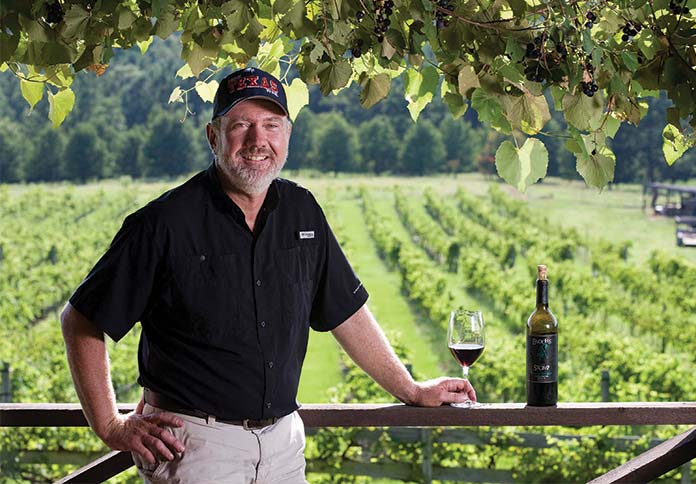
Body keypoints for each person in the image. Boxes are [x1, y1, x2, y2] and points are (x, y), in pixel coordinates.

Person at [60, 67, 476, 483]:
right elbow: (81, 320)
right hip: (196, 447)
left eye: (271, 125)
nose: (258, 141)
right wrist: (110, 426)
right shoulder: (164, 223)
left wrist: (411, 390)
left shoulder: (303, 210)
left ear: (287, 135)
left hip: (283, 444)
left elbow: (345, 313)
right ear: (213, 136)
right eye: (241, 125)